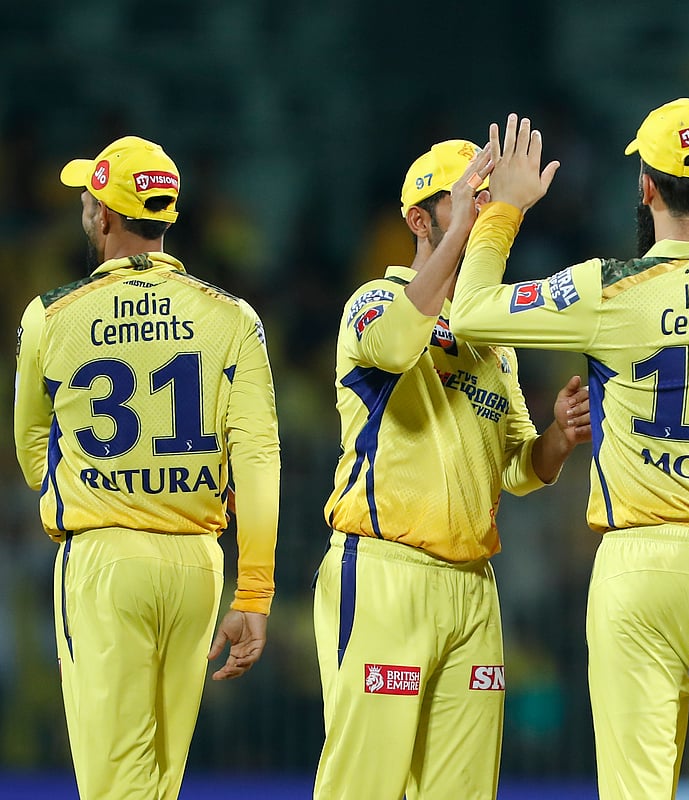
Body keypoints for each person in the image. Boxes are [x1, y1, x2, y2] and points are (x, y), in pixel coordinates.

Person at [451, 101, 689, 799]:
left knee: (636, 788)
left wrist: (503, 210)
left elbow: (470, 312)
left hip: (642, 560)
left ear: (647, 187)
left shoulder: (607, 289)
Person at [312, 138, 590, 800]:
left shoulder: (493, 340)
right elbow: (395, 343)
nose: (483, 210)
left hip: (472, 589)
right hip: (385, 573)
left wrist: (558, 433)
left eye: (488, 199)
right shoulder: (373, 302)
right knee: (365, 787)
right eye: (467, 197)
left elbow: (521, 469)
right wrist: (469, 228)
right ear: (418, 219)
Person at [13, 136, 280, 800]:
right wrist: (253, 594)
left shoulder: (52, 315)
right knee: (157, 781)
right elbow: (259, 460)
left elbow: (29, 445)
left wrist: (91, 488)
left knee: (116, 783)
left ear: (103, 215)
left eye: (88, 195)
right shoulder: (232, 317)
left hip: (105, 559)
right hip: (197, 563)